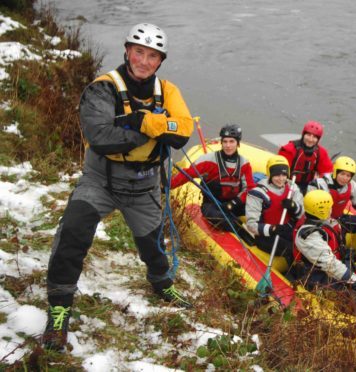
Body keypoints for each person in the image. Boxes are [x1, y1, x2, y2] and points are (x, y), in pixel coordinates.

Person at [43, 23, 194, 351]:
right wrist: (155, 126)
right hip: (100, 182)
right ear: (127, 51)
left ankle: (162, 285)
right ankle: (58, 311)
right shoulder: (103, 88)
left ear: (159, 61)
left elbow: (182, 132)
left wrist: (139, 121)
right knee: (73, 235)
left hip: (144, 186)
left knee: (153, 247)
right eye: (138, 51)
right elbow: (101, 138)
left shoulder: (168, 90)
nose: (144, 60)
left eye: (152, 56)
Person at [294, 190, 356, 318]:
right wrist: (354, 280)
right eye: (329, 207)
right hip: (316, 276)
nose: (331, 209)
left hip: (335, 266)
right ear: (321, 210)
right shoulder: (308, 236)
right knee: (351, 292)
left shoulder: (326, 221)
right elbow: (330, 265)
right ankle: (354, 315)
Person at [171, 124, 255, 234]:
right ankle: (241, 232)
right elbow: (187, 174)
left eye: (231, 141)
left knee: (261, 207)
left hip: (234, 203)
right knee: (218, 218)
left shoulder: (244, 164)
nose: (228, 146)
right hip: (212, 204)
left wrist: (234, 203)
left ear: (238, 143)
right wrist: (167, 185)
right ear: (221, 142)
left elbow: (249, 188)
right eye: (225, 142)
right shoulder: (208, 160)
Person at [245, 155, 304, 270]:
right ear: (270, 174)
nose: (281, 178)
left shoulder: (292, 187)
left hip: (286, 229)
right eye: (277, 175)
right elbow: (251, 225)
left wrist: (293, 206)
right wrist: (272, 229)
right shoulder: (257, 193)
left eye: (283, 175)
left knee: (304, 245)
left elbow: (301, 214)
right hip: (266, 236)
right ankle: (294, 273)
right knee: (291, 249)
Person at [307, 155, 356, 233]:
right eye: (342, 174)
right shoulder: (318, 184)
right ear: (335, 172)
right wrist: (332, 223)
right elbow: (310, 210)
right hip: (319, 222)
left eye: (348, 175)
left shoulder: (351, 185)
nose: (345, 178)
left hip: (339, 218)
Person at [278, 121, 333, 194]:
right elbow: (279, 171)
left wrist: (319, 181)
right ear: (303, 134)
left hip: (309, 185)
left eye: (314, 137)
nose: (310, 139)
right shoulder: (289, 149)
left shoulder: (321, 153)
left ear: (318, 139)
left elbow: (327, 171)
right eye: (308, 135)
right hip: (288, 182)